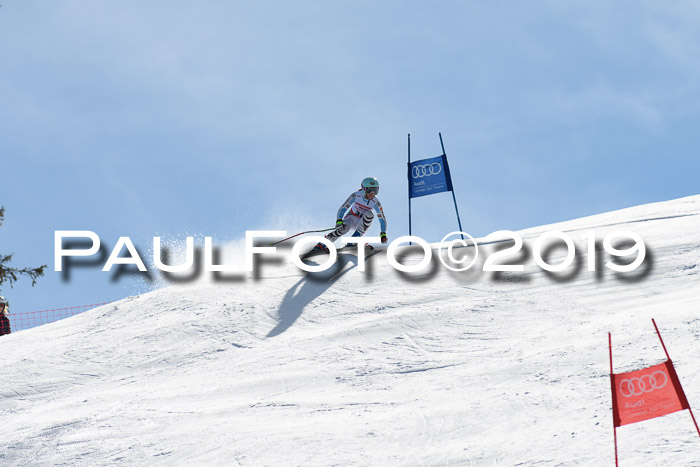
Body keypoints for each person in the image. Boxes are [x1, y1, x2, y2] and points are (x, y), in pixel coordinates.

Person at [313, 177, 388, 253]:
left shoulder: (376, 202)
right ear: (363, 189)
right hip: (351, 218)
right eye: (369, 190)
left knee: (369, 214)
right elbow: (343, 208)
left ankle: (353, 242)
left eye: (375, 190)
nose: (372, 193)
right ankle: (322, 244)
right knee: (344, 228)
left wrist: (383, 233)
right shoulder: (356, 195)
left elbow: (382, 219)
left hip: (361, 222)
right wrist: (339, 220)